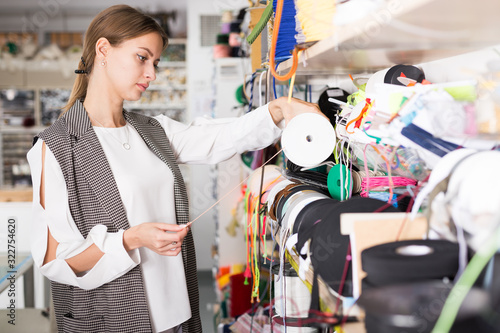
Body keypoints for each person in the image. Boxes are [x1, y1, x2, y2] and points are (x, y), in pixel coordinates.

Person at [27, 4, 324, 333]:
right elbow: (56, 259)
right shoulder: (55, 147)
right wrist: (131, 238)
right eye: (143, 58)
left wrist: (279, 110)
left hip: (179, 314)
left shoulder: (152, 130)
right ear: (103, 50)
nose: (151, 74)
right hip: (118, 321)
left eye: (155, 63)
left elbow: (218, 137)